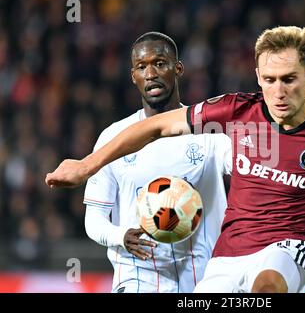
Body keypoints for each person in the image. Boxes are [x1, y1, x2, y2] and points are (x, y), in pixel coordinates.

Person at [46, 26, 305, 293]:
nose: (279, 91)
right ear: (257, 77)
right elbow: (156, 128)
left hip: (288, 248)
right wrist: (86, 165)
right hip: (224, 260)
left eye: (289, 79)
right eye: (269, 80)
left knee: (267, 285)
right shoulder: (233, 114)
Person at [82, 32, 232, 293]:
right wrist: (120, 236)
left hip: (204, 279)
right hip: (138, 276)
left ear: (178, 68)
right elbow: (93, 219)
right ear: (133, 76)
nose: (150, 73)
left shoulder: (211, 134)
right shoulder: (113, 138)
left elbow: (251, 173)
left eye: (160, 63)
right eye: (142, 67)